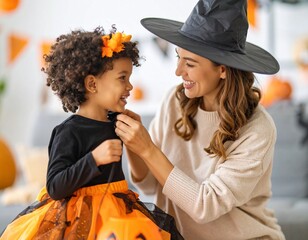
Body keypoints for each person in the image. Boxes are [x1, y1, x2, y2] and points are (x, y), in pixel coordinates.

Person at [115, 0, 286, 239]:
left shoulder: (258, 129)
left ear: (223, 69)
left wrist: (148, 148)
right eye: (178, 57)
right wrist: (135, 146)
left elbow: (205, 206)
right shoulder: (175, 101)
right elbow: (152, 186)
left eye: (190, 63)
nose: (178, 71)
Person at [0, 26, 181, 240]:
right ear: (92, 84)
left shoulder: (118, 123)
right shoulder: (68, 131)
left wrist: (137, 142)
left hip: (119, 211)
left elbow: (141, 175)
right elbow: (55, 186)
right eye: (122, 78)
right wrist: (94, 159)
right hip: (78, 220)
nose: (130, 86)